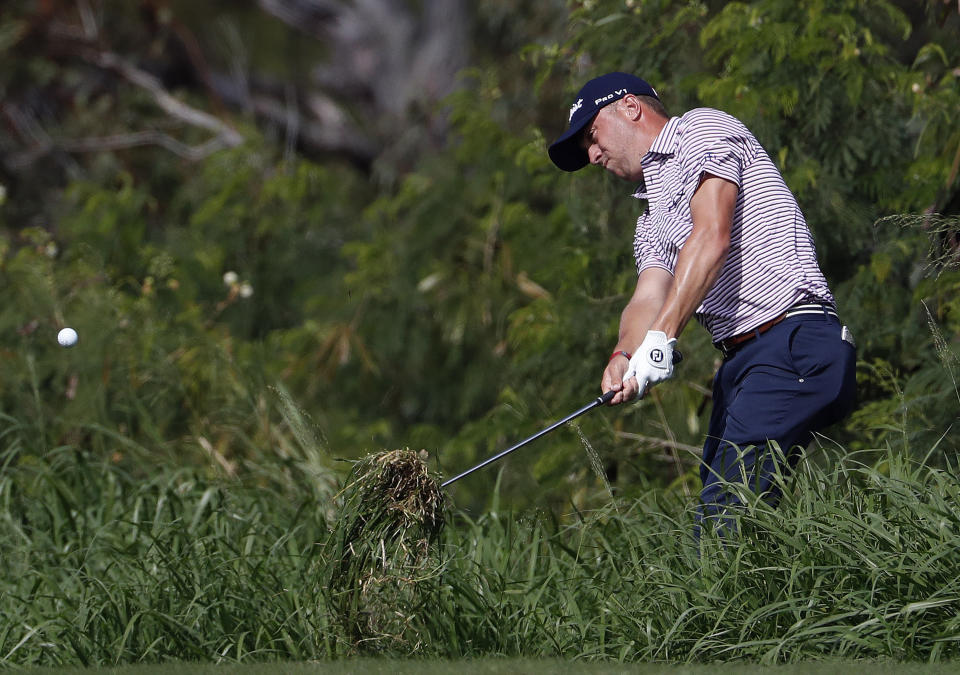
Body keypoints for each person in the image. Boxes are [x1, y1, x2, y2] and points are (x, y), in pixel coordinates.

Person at [548, 72, 857, 535]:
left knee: (724, 518)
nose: (592, 155)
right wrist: (624, 355)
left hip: (793, 338)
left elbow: (711, 236)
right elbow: (648, 296)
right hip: (746, 363)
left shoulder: (701, 129)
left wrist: (663, 337)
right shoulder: (651, 219)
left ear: (630, 107)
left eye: (591, 135)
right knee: (731, 509)